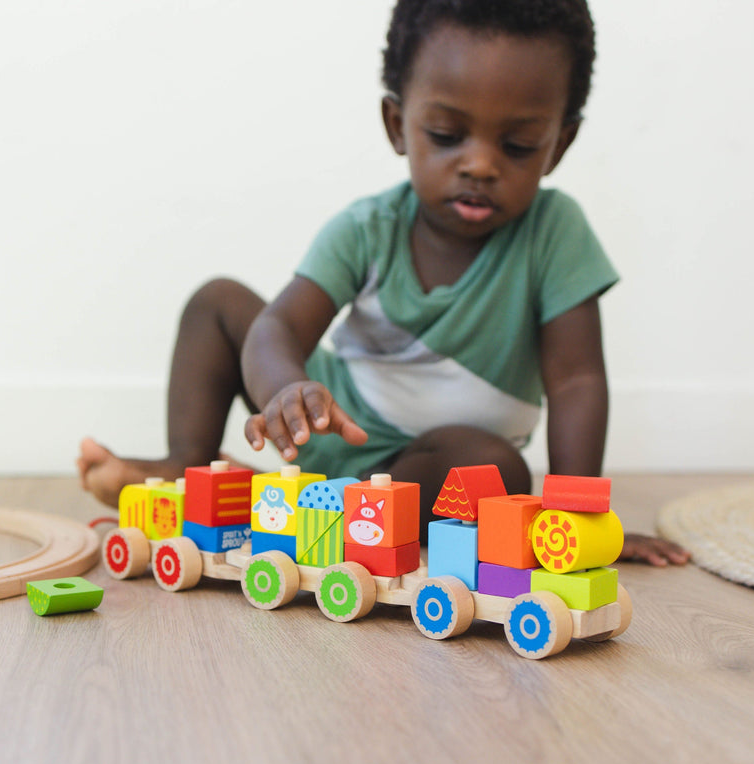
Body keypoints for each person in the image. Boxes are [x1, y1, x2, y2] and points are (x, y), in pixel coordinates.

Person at [78, 0, 689, 565]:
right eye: (447, 136)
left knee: (498, 471)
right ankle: (192, 468)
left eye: (519, 144)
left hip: (424, 466)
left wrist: (578, 518)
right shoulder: (368, 228)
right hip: (326, 421)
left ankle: (293, 505)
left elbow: (578, 380)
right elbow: (279, 326)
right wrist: (289, 388)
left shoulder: (555, 233)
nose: (480, 163)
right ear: (398, 124)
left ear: (560, 143)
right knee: (218, 302)